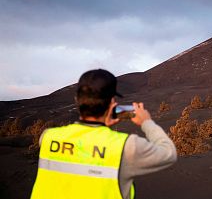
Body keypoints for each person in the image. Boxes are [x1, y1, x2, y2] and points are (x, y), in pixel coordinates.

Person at [31, 69, 177, 199]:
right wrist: (146, 122)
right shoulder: (125, 147)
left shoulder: (48, 137)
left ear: (77, 100)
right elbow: (169, 153)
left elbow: (80, 148)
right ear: (112, 105)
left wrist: (100, 126)